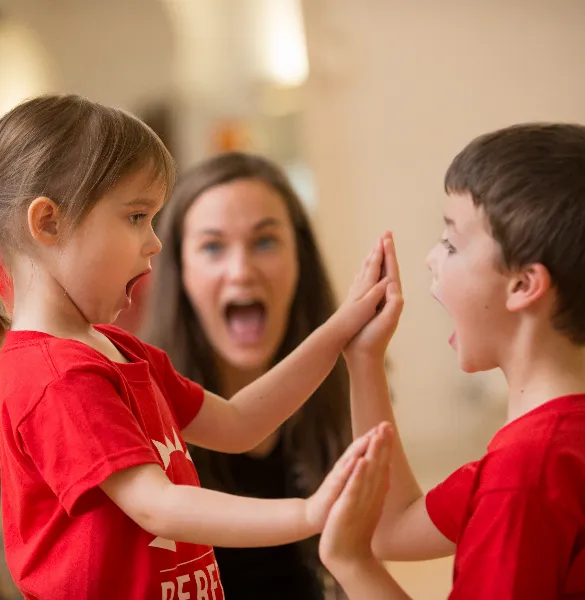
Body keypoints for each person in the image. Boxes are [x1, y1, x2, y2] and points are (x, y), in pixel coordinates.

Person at [0, 93, 396, 600]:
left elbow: (237, 423)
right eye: (136, 217)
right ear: (49, 223)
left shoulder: (121, 350)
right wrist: (309, 512)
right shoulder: (57, 376)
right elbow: (155, 505)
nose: (154, 242)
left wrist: (341, 329)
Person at [318, 124, 585, 599]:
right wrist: (365, 360)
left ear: (523, 285)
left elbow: (379, 541)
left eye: (450, 243)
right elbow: (396, 526)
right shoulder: (562, 445)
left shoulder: (523, 476)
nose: (431, 258)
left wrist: (352, 564)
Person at [142, 152, 353, 599]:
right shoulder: (141, 402)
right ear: (179, 272)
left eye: (265, 242)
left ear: (301, 258)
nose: (241, 271)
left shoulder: (342, 384)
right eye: (213, 247)